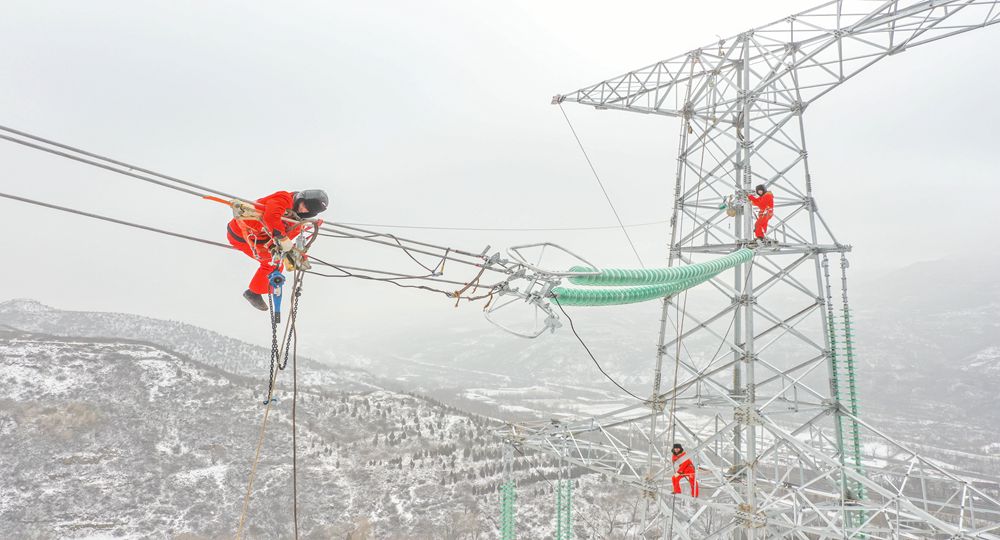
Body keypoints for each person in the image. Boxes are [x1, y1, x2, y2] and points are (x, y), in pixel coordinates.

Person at [226, 189, 329, 311]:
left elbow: (287, 233)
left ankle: (255, 291)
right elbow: (271, 218)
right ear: (301, 198)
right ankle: (253, 292)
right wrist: (283, 238)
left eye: (308, 211)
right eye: (304, 205)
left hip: (261, 240)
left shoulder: (296, 218)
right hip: (241, 236)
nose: (303, 210)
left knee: (277, 265)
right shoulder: (284, 198)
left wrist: (309, 225)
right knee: (271, 264)